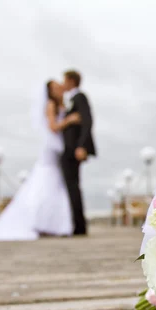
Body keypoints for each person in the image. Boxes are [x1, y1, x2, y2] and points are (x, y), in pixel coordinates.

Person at [0, 80, 80, 241]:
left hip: (58, 148)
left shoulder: (61, 104)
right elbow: (53, 127)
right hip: (51, 149)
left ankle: (52, 224)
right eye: (54, 88)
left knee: (55, 184)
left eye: (58, 86)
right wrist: (70, 120)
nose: (59, 88)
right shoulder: (50, 105)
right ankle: (44, 223)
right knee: (48, 181)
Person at [61, 69, 96, 235]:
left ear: (71, 81)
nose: (63, 84)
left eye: (65, 80)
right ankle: (77, 224)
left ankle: (79, 226)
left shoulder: (80, 97)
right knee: (72, 185)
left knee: (73, 186)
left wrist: (81, 146)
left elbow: (87, 121)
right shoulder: (70, 100)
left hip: (73, 150)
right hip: (69, 149)